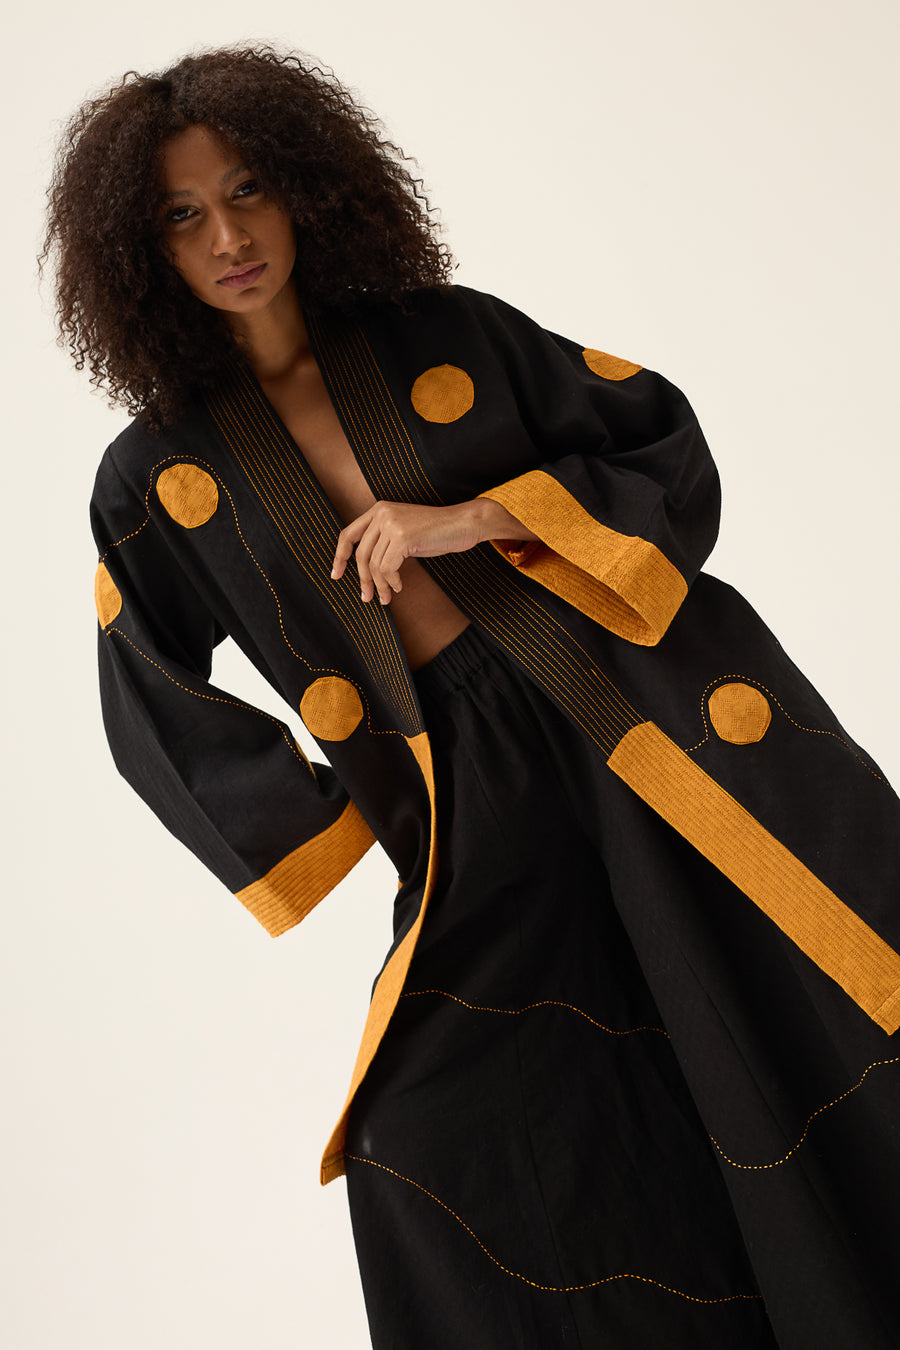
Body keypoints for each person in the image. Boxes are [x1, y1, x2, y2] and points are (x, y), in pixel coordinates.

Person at [44, 45, 900, 1350]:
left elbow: (659, 439)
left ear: (307, 186)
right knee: (423, 1135)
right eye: (181, 213)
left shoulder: (449, 332)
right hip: (460, 788)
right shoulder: (154, 471)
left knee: (763, 1012)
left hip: (628, 716)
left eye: (249, 188)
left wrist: (468, 519)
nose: (228, 237)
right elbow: (143, 681)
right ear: (137, 248)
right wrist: (318, 815)